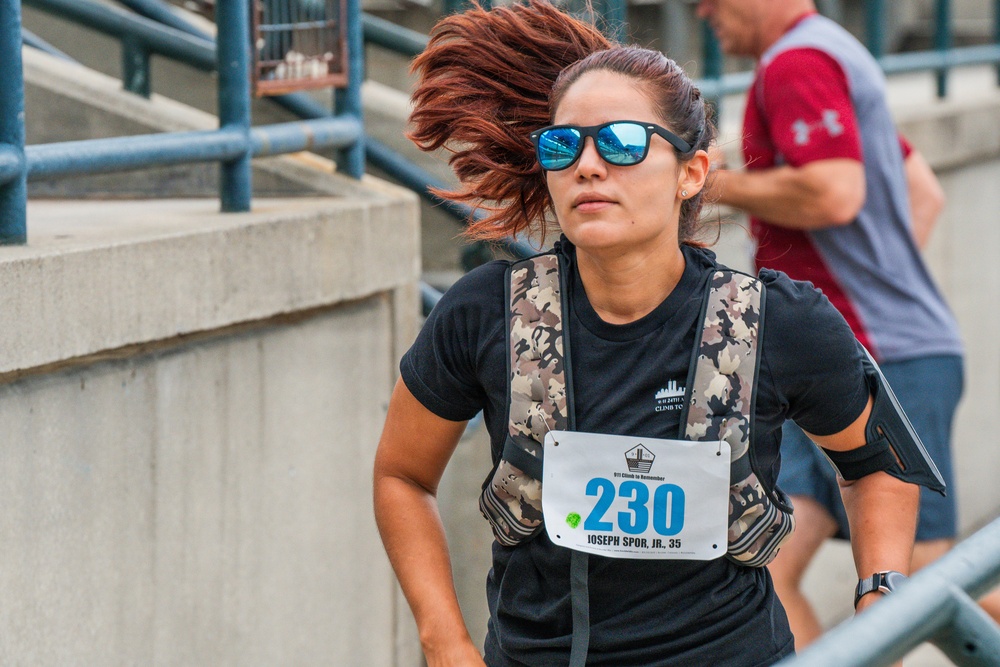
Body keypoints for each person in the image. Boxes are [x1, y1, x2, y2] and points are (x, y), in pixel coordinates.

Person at [373, 2, 925, 665]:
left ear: (691, 173)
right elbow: (402, 474)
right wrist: (444, 640)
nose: (588, 165)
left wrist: (880, 594)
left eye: (622, 142)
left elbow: (877, 464)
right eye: (562, 144)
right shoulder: (487, 313)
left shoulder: (776, 323)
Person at [696, 0, 996, 649]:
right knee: (770, 566)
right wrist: (880, 283)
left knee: (922, 581)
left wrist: (706, 185)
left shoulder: (798, 63)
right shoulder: (838, 54)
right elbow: (925, 191)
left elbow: (834, 192)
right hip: (830, 353)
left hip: (882, 353)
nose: (700, 11)